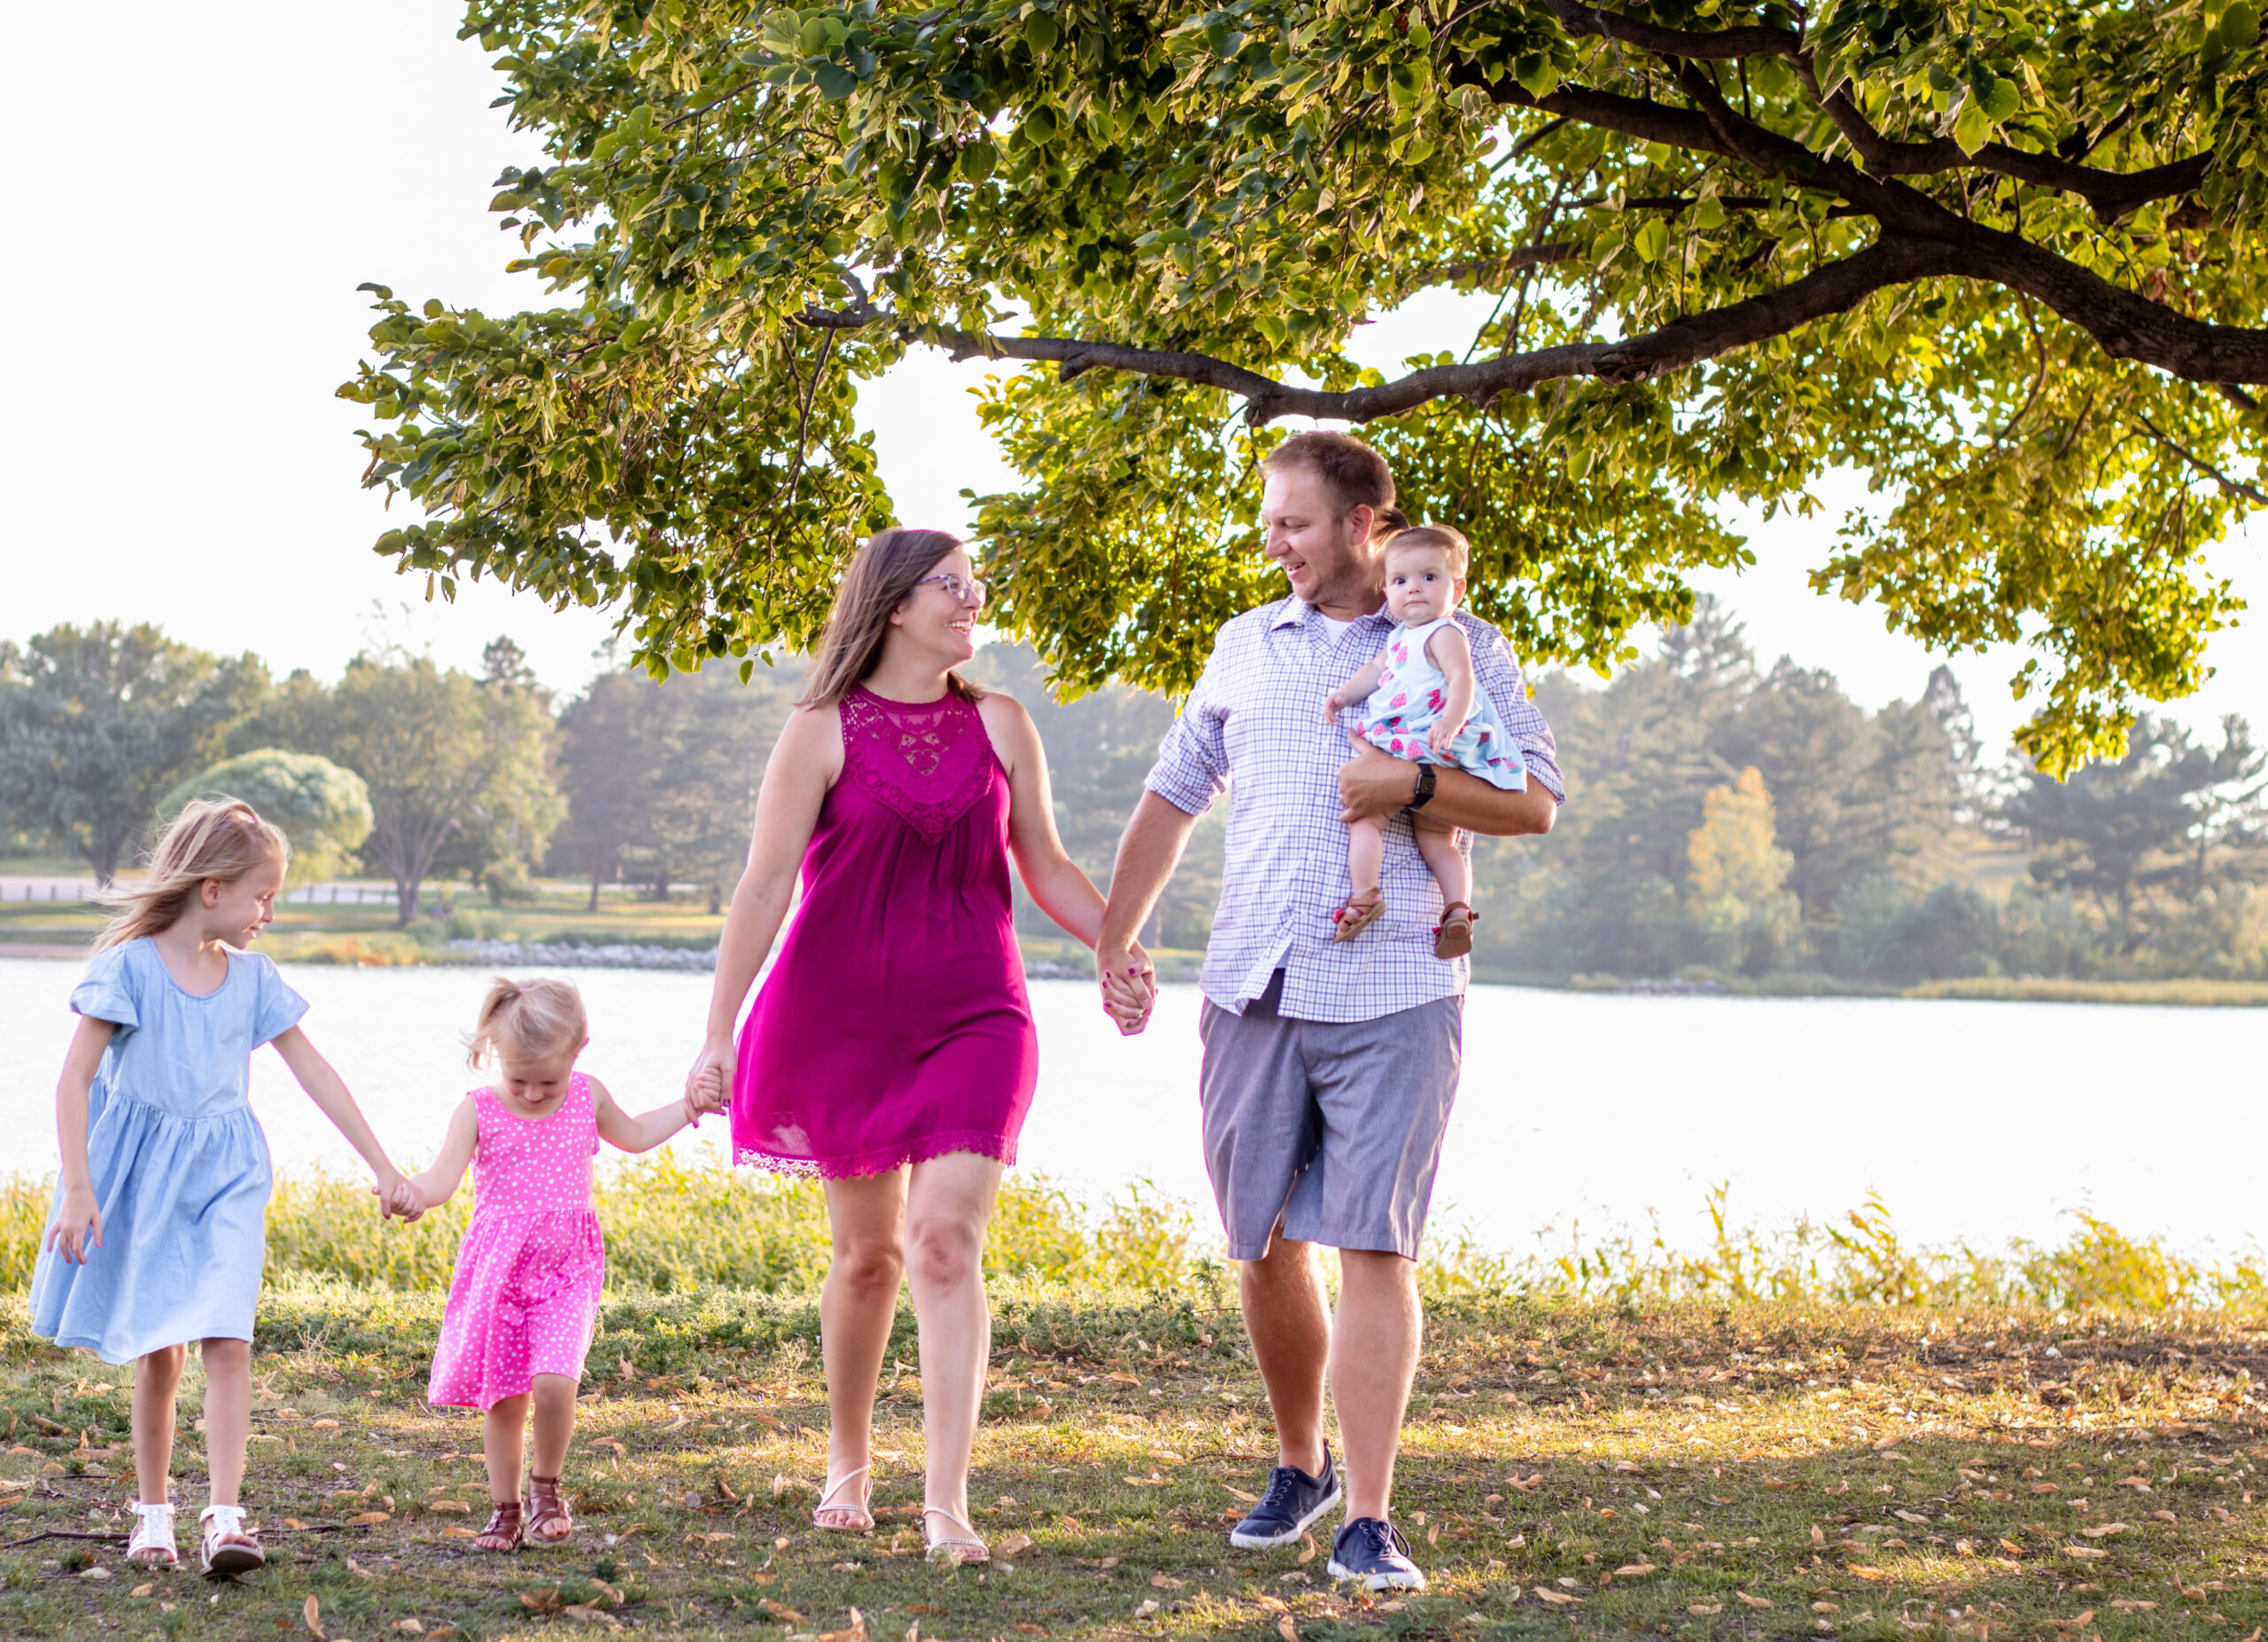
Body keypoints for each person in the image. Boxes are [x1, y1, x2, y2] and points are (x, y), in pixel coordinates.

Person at [1096, 432, 1562, 1591]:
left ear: (1363, 525)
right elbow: (1172, 794)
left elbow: (1536, 802)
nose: (1275, 542)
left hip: (1397, 985)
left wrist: (1407, 785)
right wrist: (1117, 933)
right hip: (1252, 979)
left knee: (1375, 1242)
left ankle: (1369, 1514)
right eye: (1270, 522)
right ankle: (1298, 1465)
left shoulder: (1459, 640)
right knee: (1261, 1241)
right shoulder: (1244, 646)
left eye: (1295, 523)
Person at [686, 528, 1152, 1566]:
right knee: (867, 1258)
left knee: (944, 1241)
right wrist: (717, 1031)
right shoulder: (818, 729)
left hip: (976, 1012)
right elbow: (764, 886)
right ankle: (847, 1461)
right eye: (952, 583)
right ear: (896, 603)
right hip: (837, 1014)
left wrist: (1118, 944)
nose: (972, 597)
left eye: (973, 581)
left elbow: (1046, 860)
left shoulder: (1001, 723)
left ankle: (946, 1501)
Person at [30, 799, 415, 1576]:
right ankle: (151, 1513)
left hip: (229, 1172)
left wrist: (380, 1162)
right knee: (161, 1353)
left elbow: (314, 1071)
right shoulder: (131, 967)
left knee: (229, 1339)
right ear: (211, 888)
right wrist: (78, 1185)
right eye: (261, 895)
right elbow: (74, 1077)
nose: (267, 912)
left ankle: (227, 1515)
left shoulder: (252, 979)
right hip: (145, 1176)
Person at [393, 977, 726, 1552]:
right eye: (517, 1078)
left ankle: (546, 1484)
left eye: (546, 1080)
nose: (529, 1093)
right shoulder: (476, 1110)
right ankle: (505, 1509)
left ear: (578, 1050)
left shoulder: (586, 1096)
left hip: (569, 1269)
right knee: (504, 1398)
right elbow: (442, 1177)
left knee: (554, 1381)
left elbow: (638, 1132)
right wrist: (414, 1194)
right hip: (501, 1273)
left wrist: (689, 1104)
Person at [1322, 524, 1526, 958]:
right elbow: (1373, 674)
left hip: (1425, 741)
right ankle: (1455, 910)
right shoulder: (1399, 637)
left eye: (1429, 577)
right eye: (1400, 581)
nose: (1413, 589)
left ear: (1458, 589)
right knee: (1435, 840)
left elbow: (1461, 678)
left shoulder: (1446, 632)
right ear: (1388, 589)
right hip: (1420, 747)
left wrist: (1451, 719)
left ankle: (1367, 896)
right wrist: (1343, 695)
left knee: (1368, 820)